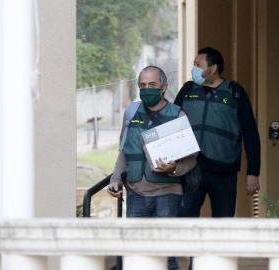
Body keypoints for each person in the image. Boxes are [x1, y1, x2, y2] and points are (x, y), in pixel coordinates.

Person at [108, 66, 196, 270]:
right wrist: (114, 179)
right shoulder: (132, 112)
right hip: (136, 192)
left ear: (164, 87)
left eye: (152, 85)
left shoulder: (177, 115)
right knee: (136, 252)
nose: (147, 89)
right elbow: (124, 150)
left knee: (166, 254)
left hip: (167, 194)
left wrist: (174, 169)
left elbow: (191, 159)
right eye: (143, 85)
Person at [174, 47, 261, 219]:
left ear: (212, 69)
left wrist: (253, 172)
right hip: (191, 169)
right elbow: (171, 124)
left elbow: (251, 134)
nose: (194, 69)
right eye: (194, 65)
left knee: (223, 222)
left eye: (198, 65)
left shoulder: (235, 93)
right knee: (183, 219)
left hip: (224, 172)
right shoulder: (187, 90)